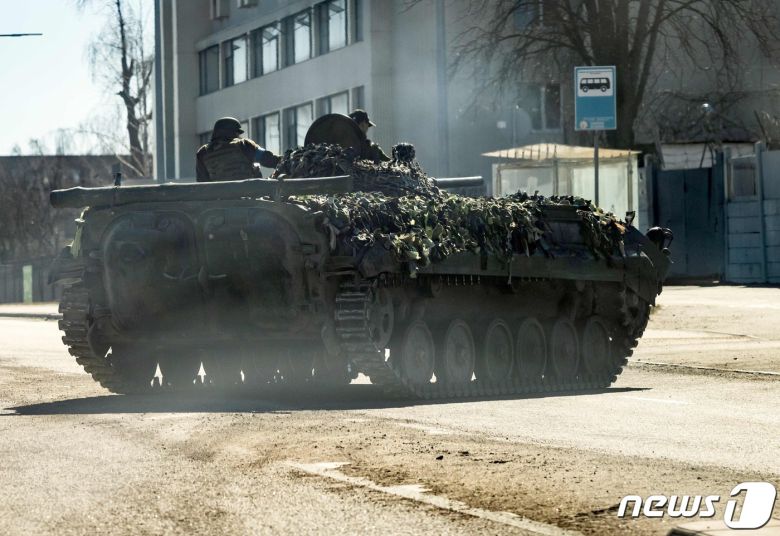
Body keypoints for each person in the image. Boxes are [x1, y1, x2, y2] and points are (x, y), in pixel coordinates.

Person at [196, 117, 280, 182]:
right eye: (237, 133)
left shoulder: (203, 152)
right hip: (248, 199)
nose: (239, 136)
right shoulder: (243, 144)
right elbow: (268, 159)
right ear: (231, 132)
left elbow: (202, 182)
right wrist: (284, 160)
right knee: (256, 166)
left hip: (218, 202)